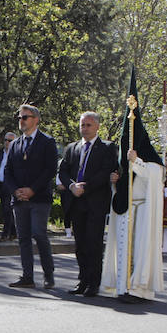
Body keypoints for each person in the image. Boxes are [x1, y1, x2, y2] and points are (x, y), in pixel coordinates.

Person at [104, 78, 164, 303]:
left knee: (139, 250)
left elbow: (155, 174)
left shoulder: (150, 157)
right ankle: (122, 287)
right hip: (125, 208)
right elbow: (120, 180)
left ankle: (138, 288)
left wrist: (137, 161)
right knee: (123, 249)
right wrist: (114, 180)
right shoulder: (122, 156)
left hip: (142, 208)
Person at [56, 111, 118, 297]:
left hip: (95, 202)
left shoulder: (107, 147)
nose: (85, 128)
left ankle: (94, 282)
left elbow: (106, 171)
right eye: (82, 125)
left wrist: (86, 187)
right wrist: (71, 185)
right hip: (75, 202)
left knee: (94, 243)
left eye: (89, 125)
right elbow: (63, 170)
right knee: (80, 244)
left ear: (97, 126)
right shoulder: (72, 148)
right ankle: (82, 280)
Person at [5, 104, 57, 289]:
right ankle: (27, 276)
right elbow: (7, 171)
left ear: (36, 119)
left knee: (39, 233)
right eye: (19, 117)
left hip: (39, 198)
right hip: (19, 200)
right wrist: (15, 191)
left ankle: (48, 275)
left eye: (25, 117)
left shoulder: (47, 142)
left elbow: (50, 170)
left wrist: (32, 190)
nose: (21, 121)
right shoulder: (15, 144)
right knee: (23, 238)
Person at [0, 130, 18, 241]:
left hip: (11, 185)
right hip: (2, 184)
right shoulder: (1, 153)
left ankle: (5, 234)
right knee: (5, 209)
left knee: (8, 209)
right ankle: (13, 232)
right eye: (6, 140)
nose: (7, 142)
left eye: (10, 140)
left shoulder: (17, 153)